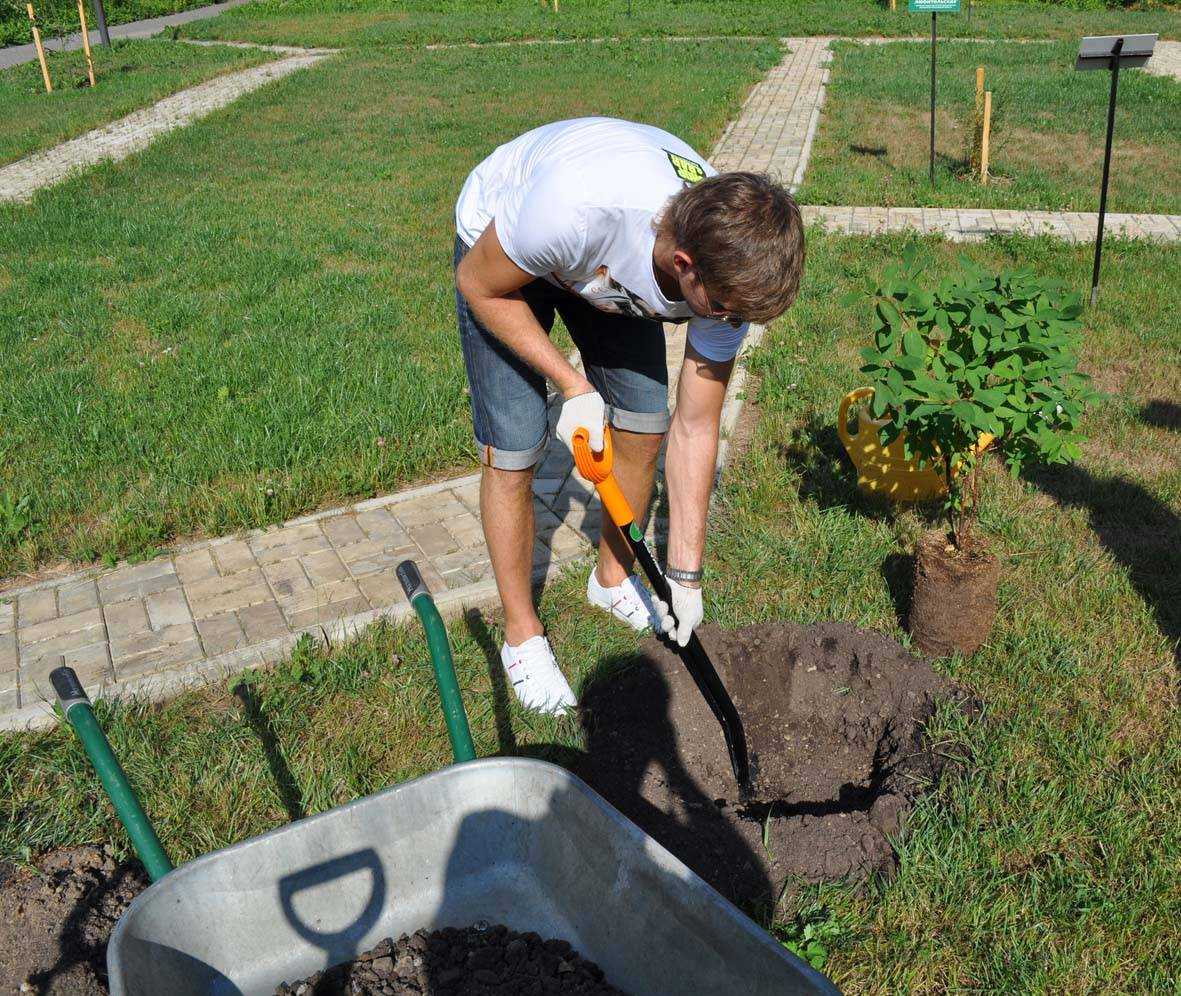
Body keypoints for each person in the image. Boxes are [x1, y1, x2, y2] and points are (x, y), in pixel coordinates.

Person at [454, 116, 804, 714]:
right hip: (505, 252)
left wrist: (685, 577)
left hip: (598, 269)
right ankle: (522, 636)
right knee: (515, 448)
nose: (727, 326)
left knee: (646, 423)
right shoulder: (576, 209)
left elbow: (696, 426)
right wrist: (571, 385)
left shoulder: (729, 277)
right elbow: (477, 285)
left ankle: (613, 579)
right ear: (685, 264)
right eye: (720, 312)